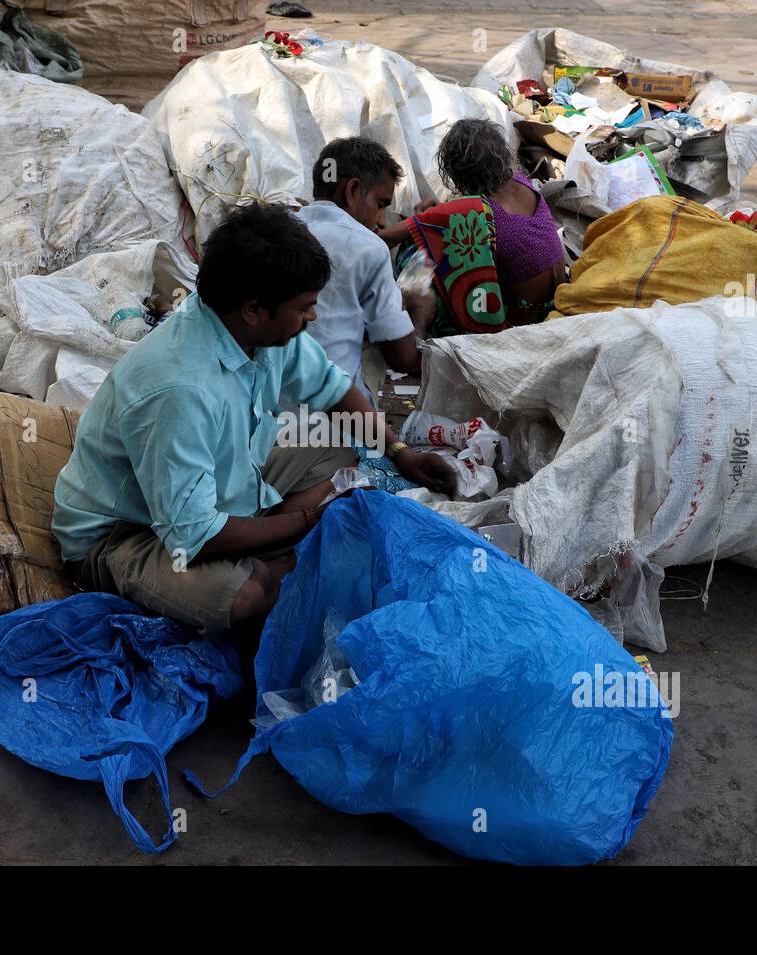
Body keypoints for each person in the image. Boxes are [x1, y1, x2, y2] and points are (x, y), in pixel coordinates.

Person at [51, 202, 455, 634]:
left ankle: (267, 546)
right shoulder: (180, 390)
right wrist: (305, 523)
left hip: (211, 493)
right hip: (125, 532)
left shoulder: (263, 335)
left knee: (344, 439)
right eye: (303, 307)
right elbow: (196, 535)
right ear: (253, 309)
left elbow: (334, 390)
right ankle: (265, 558)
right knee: (246, 594)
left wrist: (400, 452)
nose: (312, 317)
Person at [383, 118, 567, 335]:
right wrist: (441, 213)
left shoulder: (471, 210)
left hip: (522, 317)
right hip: (554, 296)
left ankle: (415, 327)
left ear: (458, 172)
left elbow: (386, 237)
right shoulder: (522, 182)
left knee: (420, 248)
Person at [297, 137, 434, 398]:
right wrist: (419, 311)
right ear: (352, 190)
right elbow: (402, 358)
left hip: (269, 416)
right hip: (336, 417)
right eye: (380, 204)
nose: (382, 220)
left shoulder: (281, 230)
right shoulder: (368, 247)